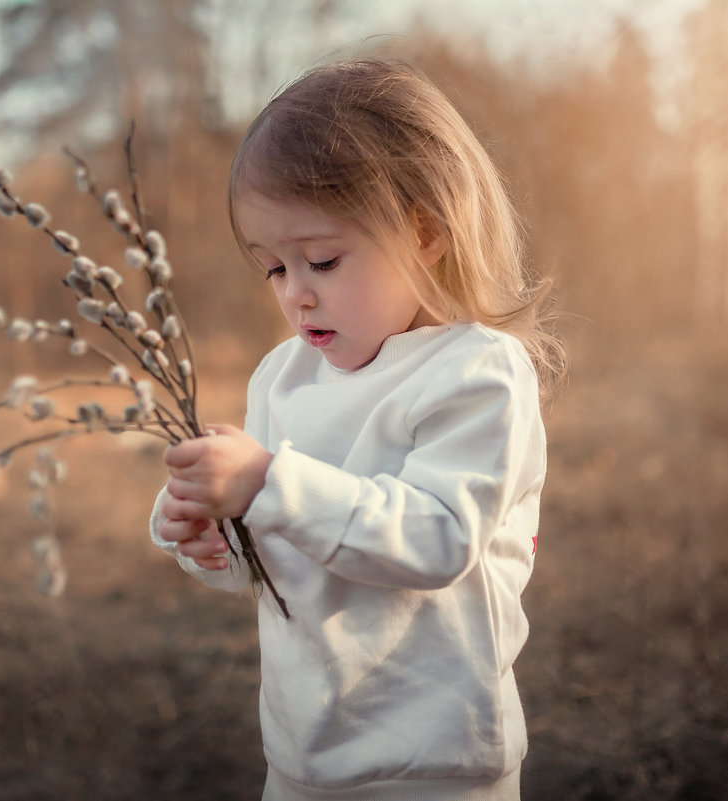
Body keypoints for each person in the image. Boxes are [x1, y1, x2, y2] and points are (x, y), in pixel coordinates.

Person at [150, 58, 565, 801]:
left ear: (424, 231)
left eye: (321, 259)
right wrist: (213, 536)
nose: (296, 294)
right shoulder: (281, 379)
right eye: (272, 269)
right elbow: (277, 561)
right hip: (304, 753)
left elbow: (437, 536)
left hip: (437, 761)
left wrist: (264, 483)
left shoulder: (476, 372)